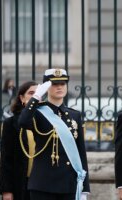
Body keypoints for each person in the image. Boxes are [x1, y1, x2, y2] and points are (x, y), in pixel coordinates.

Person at [18, 68, 90, 200]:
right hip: (43, 184)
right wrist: (36, 97)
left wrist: (85, 188)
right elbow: (22, 121)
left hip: (68, 184)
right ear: (46, 87)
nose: (59, 87)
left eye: (62, 84)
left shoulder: (75, 115)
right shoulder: (38, 112)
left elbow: (80, 152)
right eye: (54, 84)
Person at [0, 81, 38, 200]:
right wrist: (6, 190)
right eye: (31, 93)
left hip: (44, 185)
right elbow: (6, 159)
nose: (36, 97)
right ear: (22, 97)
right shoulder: (11, 124)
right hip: (21, 184)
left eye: (38, 93)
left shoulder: (49, 122)